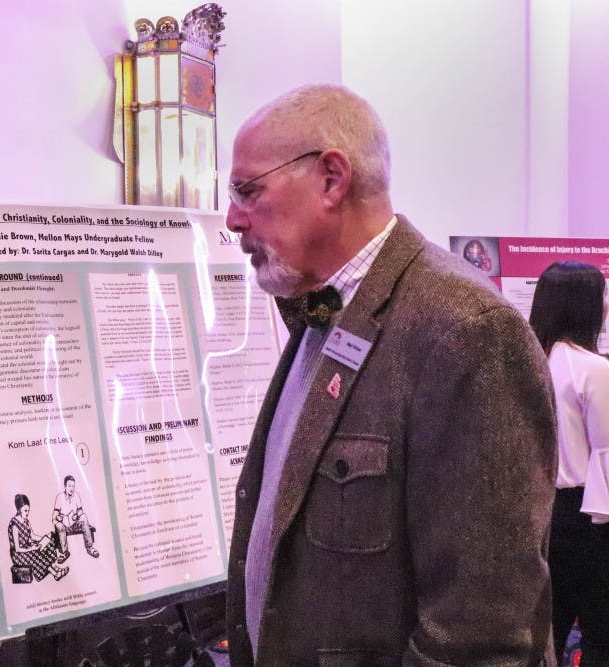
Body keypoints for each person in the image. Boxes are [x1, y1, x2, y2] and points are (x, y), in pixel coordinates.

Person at [224, 84, 558, 665]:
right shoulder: (320, 312)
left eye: (249, 191)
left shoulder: (466, 332)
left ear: (332, 178)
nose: (231, 219)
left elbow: (481, 630)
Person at [529, 261, 609, 665]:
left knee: (546, 632)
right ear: (584, 306)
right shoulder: (594, 369)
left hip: (536, 511)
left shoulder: (528, 361)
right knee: (600, 632)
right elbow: (608, 453)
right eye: (602, 295)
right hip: (589, 514)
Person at [9, 493, 69, 582]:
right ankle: (55, 573)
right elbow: (17, 549)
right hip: (19, 554)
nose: (27, 513)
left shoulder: (26, 521)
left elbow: (32, 536)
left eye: (28, 510)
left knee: (45, 545)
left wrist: (45, 538)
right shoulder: (14, 524)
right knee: (36, 552)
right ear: (19, 509)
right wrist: (32, 548)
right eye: (25, 510)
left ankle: (56, 568)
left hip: (27, 546)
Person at [52, 474, 98, 560]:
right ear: (65, 486)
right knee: (59, 525)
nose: (71, 488)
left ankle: (89, 547)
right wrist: (58, 518)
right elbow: (54, 517)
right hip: (64, 525)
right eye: (69, 486)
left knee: (84, 516)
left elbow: (80, 511)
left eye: (73, 486)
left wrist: (77, 515)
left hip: (73, 523)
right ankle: (64, 552)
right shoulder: (59, 497)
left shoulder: (76, 495)